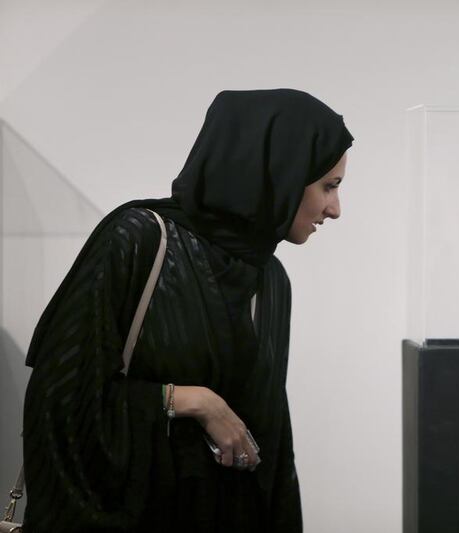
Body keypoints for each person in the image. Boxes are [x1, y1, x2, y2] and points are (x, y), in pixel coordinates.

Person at [21, 89, 353, 532]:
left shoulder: (270, 280)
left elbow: (273, 451)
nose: (335, 209)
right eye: (328, 186)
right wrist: (189, 401)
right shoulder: (140, 240)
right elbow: (57, 400)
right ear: (279, 172)